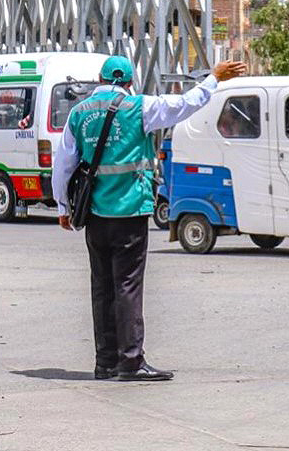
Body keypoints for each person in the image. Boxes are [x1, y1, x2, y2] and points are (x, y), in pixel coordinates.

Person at [52, 56, 247, 381]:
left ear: (100, 78)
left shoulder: (78, 113)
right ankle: (130, 361)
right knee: (127, 286)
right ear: (129, 82)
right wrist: (214, 77)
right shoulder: (139, 107)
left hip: (94, 215)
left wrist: (62, 207)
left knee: (102, 287)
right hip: (130, 211)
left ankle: (105, 362)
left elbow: (63, 165)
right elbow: (186, 104)